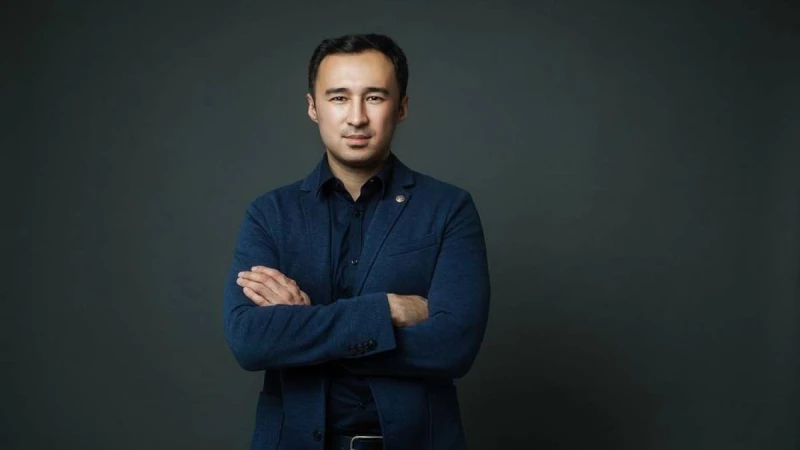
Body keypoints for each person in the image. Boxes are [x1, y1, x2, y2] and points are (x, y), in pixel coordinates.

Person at [223, 33, 490, 450]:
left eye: (375, 97)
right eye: (339, 98)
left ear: (401, 107)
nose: (357, 117)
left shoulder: (449, 208)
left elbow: (453, 346)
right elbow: (250, 341)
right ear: (313, 107)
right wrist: (385, 311)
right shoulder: (270, 214)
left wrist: (304, 329)